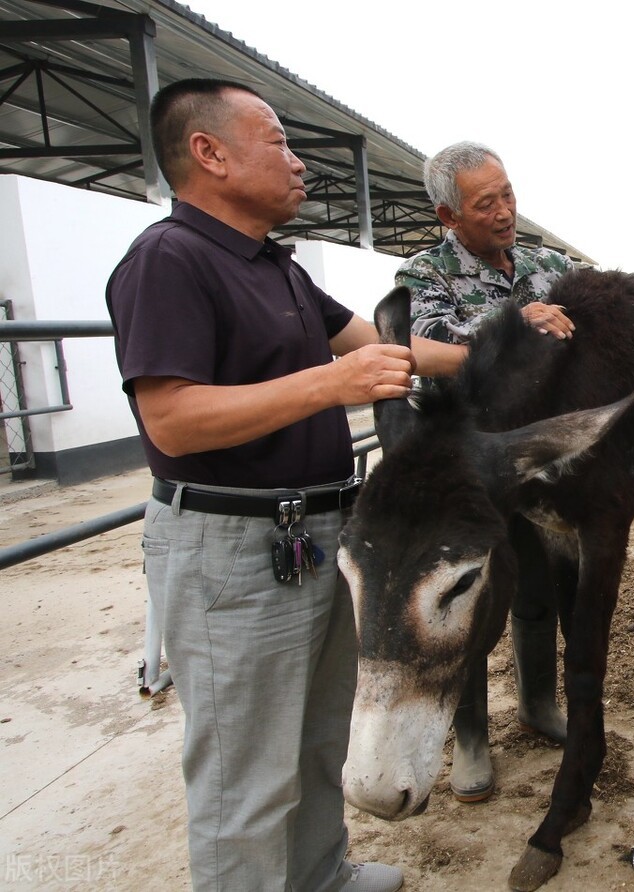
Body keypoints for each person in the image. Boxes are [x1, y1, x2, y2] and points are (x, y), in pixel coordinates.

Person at [106, 78, 459, 892]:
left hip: (314, 533)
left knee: (312, 735)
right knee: (244, 772)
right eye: (278, 142)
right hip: (231, 546)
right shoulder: (170, 261)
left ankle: (321, 874)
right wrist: (333, 384)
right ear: (209, 152)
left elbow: (389, 349)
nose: (300, 164)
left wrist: (514, 352)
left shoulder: (277, 269)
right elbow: (174, 421)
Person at [393, 141, 573, 803]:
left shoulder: (548, 263)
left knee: (537, 585)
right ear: (448, 214)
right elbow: (431, 349)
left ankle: (538, 703)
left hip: (535, 460)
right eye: (485, 203)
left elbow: (595, 317)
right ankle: (470, 737)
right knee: (466, 602)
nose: (505, 213)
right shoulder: (422, 273)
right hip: (464, 464)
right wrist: (515, 322)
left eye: (508, 195)